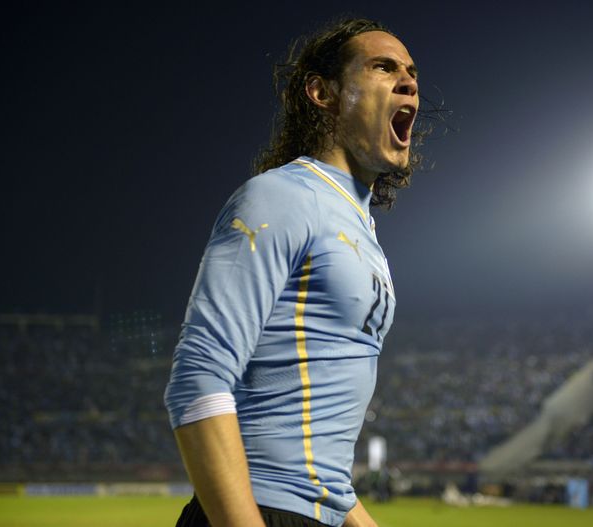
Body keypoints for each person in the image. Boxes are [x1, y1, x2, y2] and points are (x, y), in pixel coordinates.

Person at [164, 17, 422, 527]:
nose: (409, 81)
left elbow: (323, 476)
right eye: (382, 67)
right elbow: (197, 377)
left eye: (412, 72)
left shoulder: (360, 230)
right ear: (322, 93)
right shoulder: (282, 196)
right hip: (257, 510)